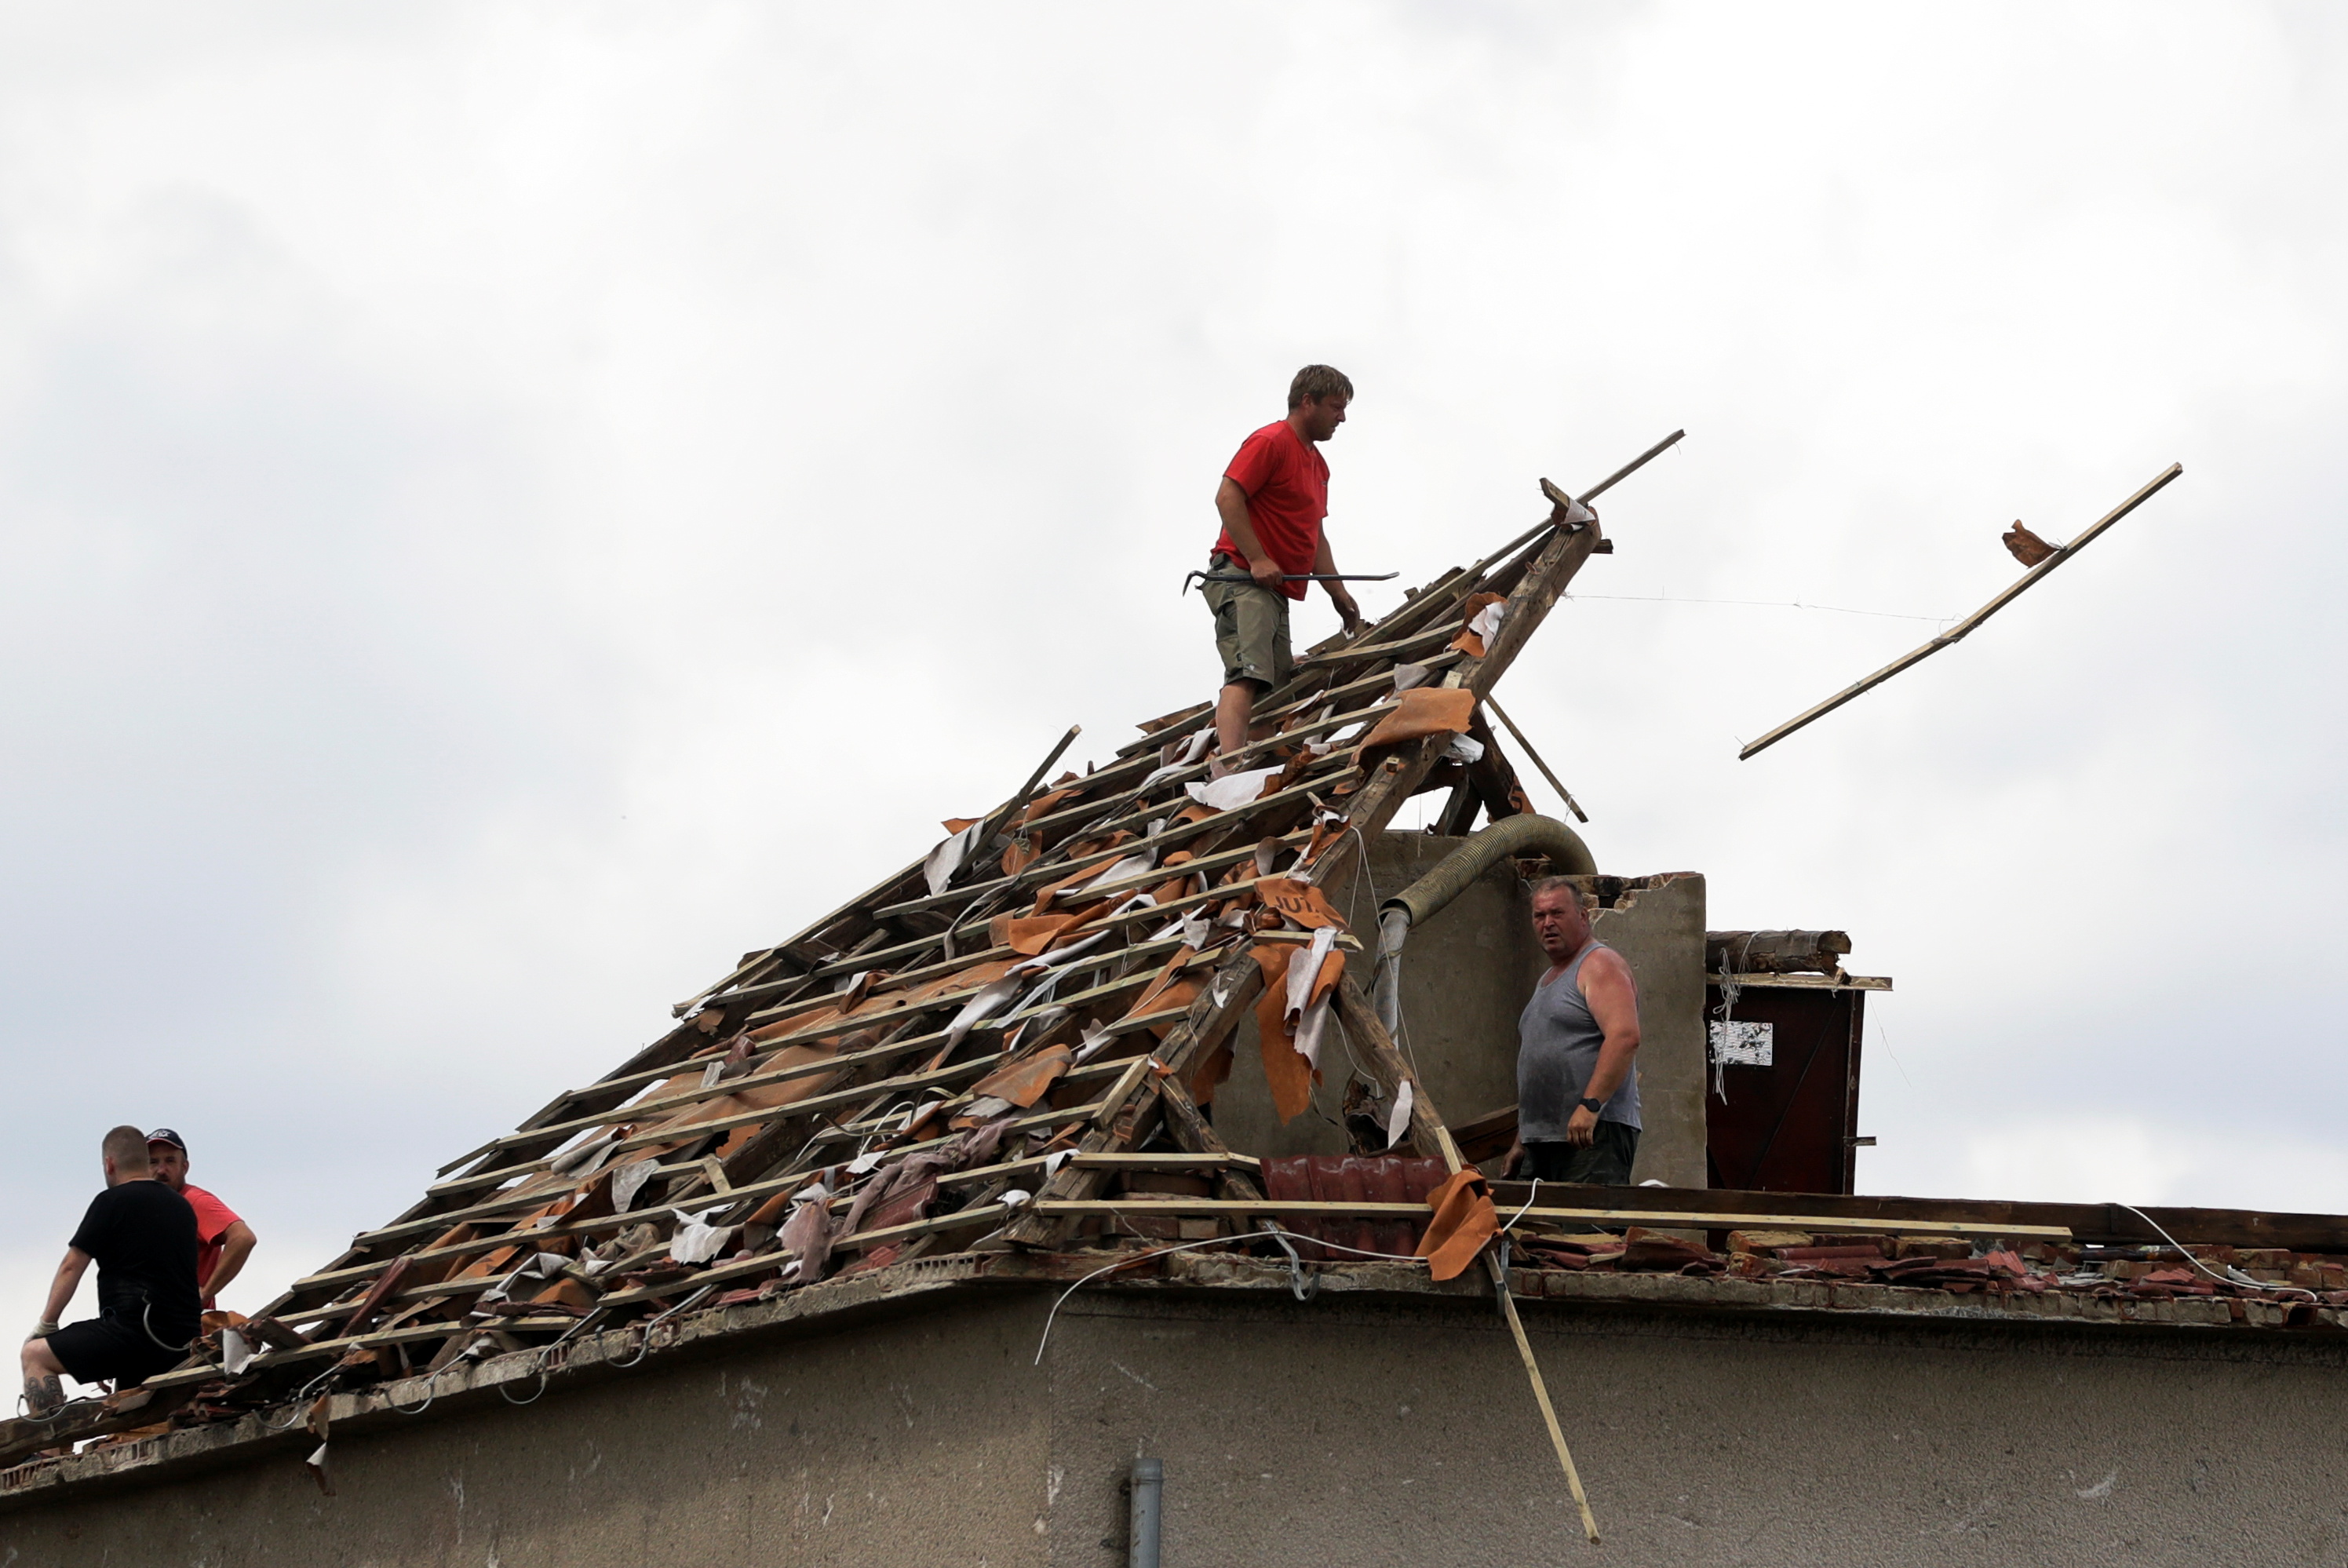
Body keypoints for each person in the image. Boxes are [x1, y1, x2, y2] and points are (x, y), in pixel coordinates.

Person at [1202, 365, 1366, 775]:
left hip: (1273, 590)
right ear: (1306, 402)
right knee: (1248, 673)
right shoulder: (1271, 441)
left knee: (1274, 684)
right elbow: (1227, 497)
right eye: (1335, 407)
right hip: (1242, 577)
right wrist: (1258, 558)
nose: (1342, 418)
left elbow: (1314, 536)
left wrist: (1338, 592)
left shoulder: (1318, 466)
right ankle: (1230, 769)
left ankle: (1255, 770)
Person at [20, 1126, 202, 1415]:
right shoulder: (182, 1207)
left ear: (109, 1164)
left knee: (35, 1355)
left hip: (136, 1335)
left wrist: (47, 1325)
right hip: (182, 1342)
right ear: (146, 1162)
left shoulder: (111, 1202)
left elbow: (71, 1267)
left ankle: (48, 1451)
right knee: (132, 1414)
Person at [1505, 877, 1644, 1183]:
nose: (1548, 923)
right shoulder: (1548, 980)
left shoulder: (1599, 964)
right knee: (1531, 1231)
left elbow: (1624, 1037)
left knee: (1586, 1230)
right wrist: (1522, 1138)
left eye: (1558, 913)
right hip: (1542, 1140)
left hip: (1592, 1132)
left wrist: (1590, 1106)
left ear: (1583, 916)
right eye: (1539, 916)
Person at [147, 1129, 257, 1310]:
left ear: (185, 1167)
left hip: (187, 1329)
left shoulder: (194, 1201)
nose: (161, 1170)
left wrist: (205, 1293)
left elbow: (243, 1238)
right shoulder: (145, 1208)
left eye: (170, 1161)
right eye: (153, 1162)